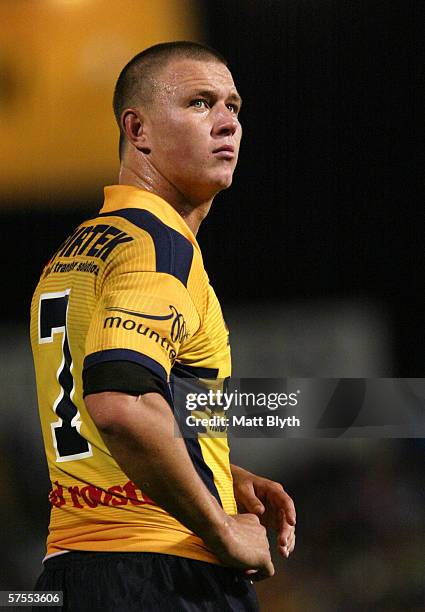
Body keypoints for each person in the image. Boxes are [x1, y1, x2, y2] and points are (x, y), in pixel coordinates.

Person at [30, 41, 296, 611]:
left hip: (69, 575)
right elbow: (120, 403)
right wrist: (221, 528)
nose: (227, 122)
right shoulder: (158, 248)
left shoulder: (80, 250)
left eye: (233, 106)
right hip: (164, 574)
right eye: (201, 103)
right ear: (138, 129)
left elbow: (97, 415)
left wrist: (217, 474)